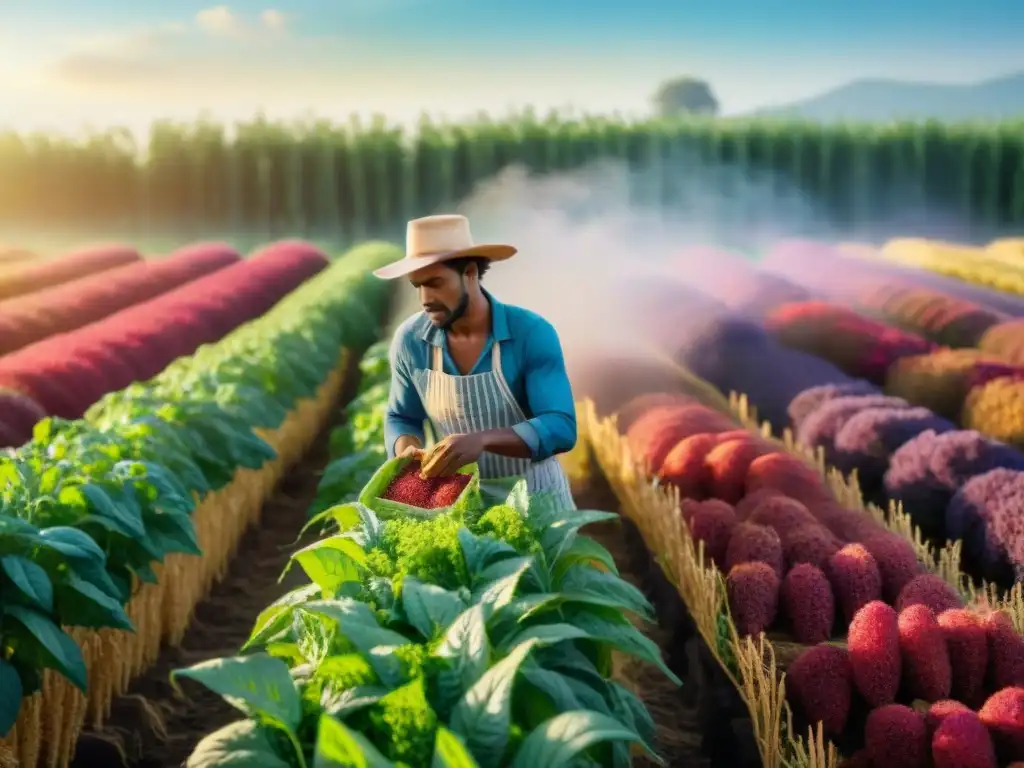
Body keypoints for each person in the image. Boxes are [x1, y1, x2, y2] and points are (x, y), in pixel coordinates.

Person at [374, 213, 577, 510]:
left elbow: (561, 427)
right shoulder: (411, 340)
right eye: (417, 285)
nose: (425, 298)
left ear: (469, 272)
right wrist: (406, 449)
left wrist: (482, 440)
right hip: (457, 506)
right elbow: (402, 416)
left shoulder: (530, 333)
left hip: (536, 503)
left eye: (435, 283)